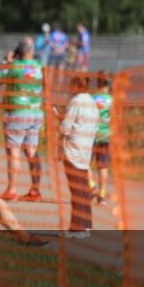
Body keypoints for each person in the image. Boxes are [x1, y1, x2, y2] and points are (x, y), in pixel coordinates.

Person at [0, 37, 45, 201]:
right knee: (32, 150)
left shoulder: (13, 67)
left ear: (18, 51)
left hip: (17, 112)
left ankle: (12, 189)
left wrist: (5, 61)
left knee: (14, 150)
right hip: (35, 112)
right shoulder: (39, 67)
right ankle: (35, 190)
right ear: (31, 51)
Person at [56, 74, 99, 236]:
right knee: (84, 188)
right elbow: (95, 126)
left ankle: (77, 227)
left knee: (76, 190)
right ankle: (86, 225)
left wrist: (59, 120)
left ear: (76, 85)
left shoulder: (76, 101)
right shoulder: (91, 101)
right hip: (85, 150)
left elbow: (66, 127)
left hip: (72, 150)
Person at [90, 71, 112, 205]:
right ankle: (102, 195)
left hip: (91, 135)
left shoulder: (92, 98)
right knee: (102, 166)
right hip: (105, 136)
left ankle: (92, 186)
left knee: (86, 163)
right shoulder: (112, 100)